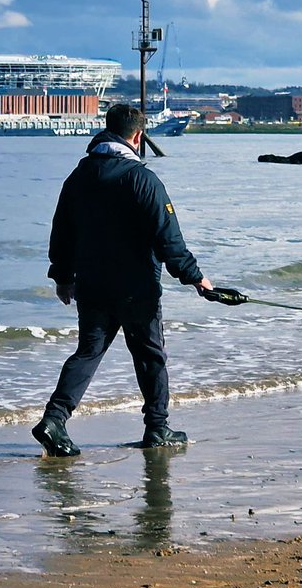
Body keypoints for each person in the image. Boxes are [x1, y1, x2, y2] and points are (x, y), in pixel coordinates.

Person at [32, 104, 212, 457]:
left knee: (88, 352)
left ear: (106, 130)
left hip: (92, 286)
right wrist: (197, 279)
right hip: (136, 288)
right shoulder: (141, 178)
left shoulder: (78, 176)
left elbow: (61, 232)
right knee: (150, 356)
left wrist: (62, 276)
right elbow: (168, 237)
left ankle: (54, 420)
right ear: (138, 136)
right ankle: (158, 428)